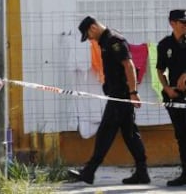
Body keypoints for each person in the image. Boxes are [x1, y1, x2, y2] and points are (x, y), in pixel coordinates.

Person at [68, 16, 150, 185]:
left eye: (88, 35)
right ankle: (142, 172)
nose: (90, 39)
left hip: (120, 95)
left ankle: (89, 171)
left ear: (93, 28)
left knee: (106, 131)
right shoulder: (105, 41)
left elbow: (128, 65)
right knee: (130, 134)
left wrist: (133, 92)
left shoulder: (114, 40)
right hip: (116, 94)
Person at [156, 9, 186, 186]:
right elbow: (160, 69)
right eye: (182, 22)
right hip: (175, 96)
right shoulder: (164, 44)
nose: (185, 25)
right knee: (181, 135)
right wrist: (166, 87)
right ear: (172, 23)